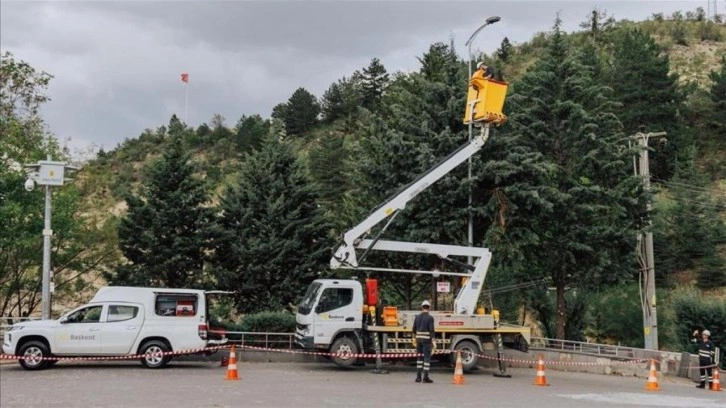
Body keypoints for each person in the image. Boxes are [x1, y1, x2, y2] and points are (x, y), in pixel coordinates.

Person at [412, 300, 435, 383]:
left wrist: (415, 338)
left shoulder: (417, 317)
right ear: (429, 308)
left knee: (419, 358)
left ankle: (418, 377)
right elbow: (431, 330)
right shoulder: (430, 318)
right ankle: (425, 377)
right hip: (426, 341)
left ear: (422, 307)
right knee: (427, 359)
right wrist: (433, 341)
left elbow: (414, 329)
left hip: (418, 340)